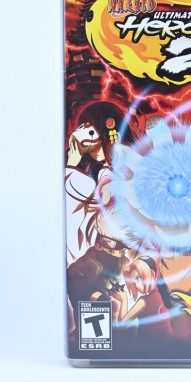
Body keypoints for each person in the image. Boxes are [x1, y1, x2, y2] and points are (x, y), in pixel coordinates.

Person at [65, 101, 136, 262]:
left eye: (87, 126)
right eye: (81, 126)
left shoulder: (121, 169)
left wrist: (72, 162)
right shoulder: (89, 171)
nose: (79, 131)